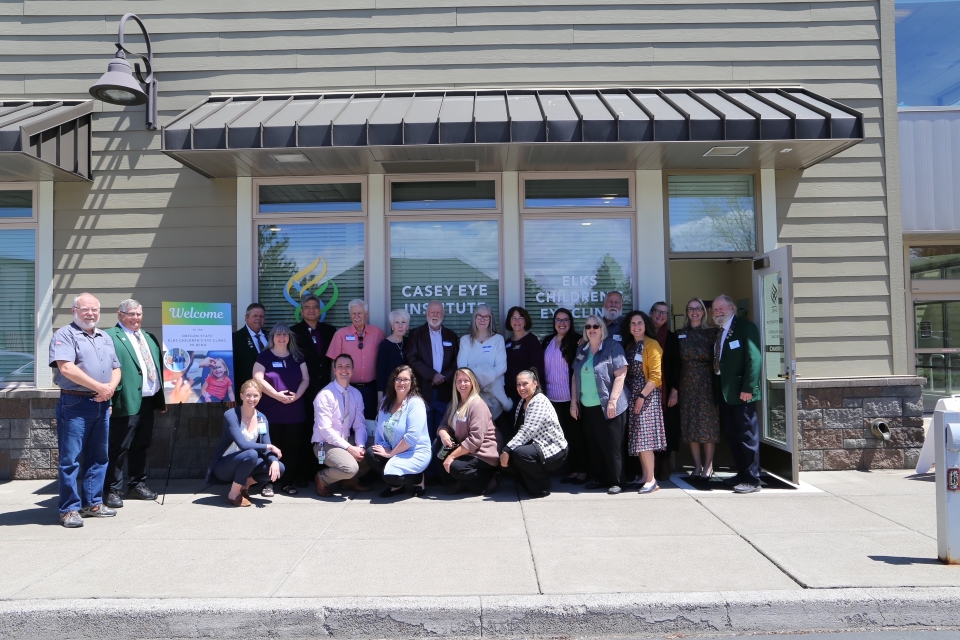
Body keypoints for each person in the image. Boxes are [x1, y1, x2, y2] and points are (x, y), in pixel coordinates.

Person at [50, 293, 122, 528]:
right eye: (85, 309)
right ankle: (68, 509)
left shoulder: (104, 337)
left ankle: (92, 503)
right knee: (70, 459)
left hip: (101, 403)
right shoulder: (64, 335)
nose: (90, 313)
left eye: (95, 310)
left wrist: (109, 390)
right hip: (75, 403)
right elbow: (67, 368)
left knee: (99, 456)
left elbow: (116, 367)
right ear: (74, 311)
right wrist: (99, 387)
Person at [103, 299, 166, 509]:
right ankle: (111, 489)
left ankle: (137, 484)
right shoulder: (110, 337)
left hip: (147, 401)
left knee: (141, 445)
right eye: (131, 314)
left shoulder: (148, 337)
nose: (136, 318)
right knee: (119, 447)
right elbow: (104, 370)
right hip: (125, 400)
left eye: (139, 314)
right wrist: (109, 399)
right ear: (120, 315)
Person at [570, 314, 629, 495]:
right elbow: (574, 377)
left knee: (612, 446)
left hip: (609, 406)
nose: (592, 329)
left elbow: (621, 374)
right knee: (594, 445)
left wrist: (612, 401)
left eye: (596, 326)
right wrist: (574, 402)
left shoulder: (613, 347)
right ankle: (600, 478)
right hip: (587, 407)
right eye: (588, 327)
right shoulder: (582, 350)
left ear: (602, 329)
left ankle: (617, 481)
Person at [712, 295, 763, 494]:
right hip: (726, 395)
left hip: (742, 394)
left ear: (732, 308)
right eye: (715, 309)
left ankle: (752, 480)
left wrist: (748, 388)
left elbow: (754, 358)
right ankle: (742, 473)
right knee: (733, 437)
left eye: (721, 308)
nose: (718, 312)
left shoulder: (745, 327)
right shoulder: (720, 331)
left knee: (748, 436)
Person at [206, 380, 284, 507]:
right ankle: (233, 494)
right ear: (241, 396)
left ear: (260, 397)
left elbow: (266, 445)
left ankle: (245, 484)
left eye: (255, 395)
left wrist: (274, 460)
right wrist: (268, 447)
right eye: (248, 395)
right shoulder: (230, 415)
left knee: (280, 467)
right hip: (225, 467)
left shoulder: (262, 418)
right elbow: (243, 444)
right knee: (251, 454)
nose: (251, 399)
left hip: (247, 462)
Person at [252, 323, 309, 496]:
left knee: (291, 448)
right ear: (272, 337)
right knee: (270, 447)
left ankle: (287, 482)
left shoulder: (297, 356)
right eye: (278, 334)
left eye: (285, 334)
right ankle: (267, 483)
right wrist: (276, 395)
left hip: (294, 409)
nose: (282, 337)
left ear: (289, 337)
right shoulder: (264, 356)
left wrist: (297, 396)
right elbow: (257, 378)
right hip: (270, 411)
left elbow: (306, 379)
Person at [290, 293, 337, 489]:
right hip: (303, 390)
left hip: (327, 389)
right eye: (307, 307)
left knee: (324, 432)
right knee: (304, 432)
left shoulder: (330, 331)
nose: (311, 310)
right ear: (301, 311)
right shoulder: (293, 332)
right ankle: (302, 473)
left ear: (320, 311)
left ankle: (323, 472)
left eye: (315, 307)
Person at [500, 370, 568, 498]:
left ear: (535, 384)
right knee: (508, 461)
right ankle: (530, 484)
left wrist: (507, 450)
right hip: (535, 446)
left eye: (525, 384)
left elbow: (527, 430)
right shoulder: (522, 402)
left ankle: (542, 486)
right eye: (518, 384)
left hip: (552, 448)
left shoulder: (539, 400)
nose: (521, 388)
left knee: (519, 453)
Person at [366, 365, 430, 498]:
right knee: (371, 454)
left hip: (413, 452)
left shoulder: (416, 403)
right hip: (393, 450)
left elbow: (412, 437)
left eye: (406, 379)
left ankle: (418, 479)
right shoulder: (386, 401)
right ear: (393, 381)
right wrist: (381, 448)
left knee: (391, 476)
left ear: (411, 382)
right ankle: (397, 487)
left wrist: (391, 453)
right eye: (398, 379)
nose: (402, 383)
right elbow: (379, 429)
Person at [312, 354, 371, 496]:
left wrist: (361, 447)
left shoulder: (356, 394)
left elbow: (360, 425)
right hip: (324, 444)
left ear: (352, 369)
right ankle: (322, 478)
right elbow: (325, 430)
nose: (344, 370)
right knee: (349, 468)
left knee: (376, 450)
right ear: (334, 369)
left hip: (345, 440)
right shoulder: (325, 395)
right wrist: (350, 448)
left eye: (347, 366)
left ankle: (348, 480)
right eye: (340, 366)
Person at [437, 368, 501, 495]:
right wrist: (443, 432)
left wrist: (451, 456)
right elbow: (444, 423)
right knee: (438, 451)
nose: (462, 384)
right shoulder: (455, 403)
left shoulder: (477, 404)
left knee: (455, 467)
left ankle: (489, 479)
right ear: (455, 384)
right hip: (466, 448)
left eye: (466, 381)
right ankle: (464, 482)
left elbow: (475, 440)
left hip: (483, 451)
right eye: (459, 381)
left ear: (473, 383)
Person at [622, 311, 667, 494]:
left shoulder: (652, 345)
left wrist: (641, 397)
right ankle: (644, 476)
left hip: (647, 396)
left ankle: (652, 480)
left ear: (645, 325)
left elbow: (656, 376)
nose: (636, 326)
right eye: (633, 323)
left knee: (645, 439)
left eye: (639, 323)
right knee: (638, 438)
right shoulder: (631, 346)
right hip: (634, 395)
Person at [541, 308, 586, 485]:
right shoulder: (547, 341)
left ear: (571, 322)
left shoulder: (577, 341)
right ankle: (570, 470)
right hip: (551, 399)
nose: (562, 323)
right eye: (558, 320)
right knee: (562, 436)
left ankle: (581, 471)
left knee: (577, 437)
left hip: (571, 398)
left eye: (565, 320)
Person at [678, 297, 721, 479]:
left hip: (706, 384)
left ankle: (708, 466)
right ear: (687, 313)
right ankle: (696, 466)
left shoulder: (712, 333)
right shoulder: (679, 333)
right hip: (686, 384)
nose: (694, 312)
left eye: (698, 309)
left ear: (704, 312)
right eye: (690, 309)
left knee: (707, 426)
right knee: (691, 426)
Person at [407, 300, 458, 439]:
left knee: (443, 430)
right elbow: (412, 358)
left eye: (438, 312)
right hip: (424, 390)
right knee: (424, 431)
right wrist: (432, 375)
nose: (435, 315)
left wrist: (444, 377)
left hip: (444, 391)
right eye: (432, 312)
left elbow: (456, 361)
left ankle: (440, 460)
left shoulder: (451, 336)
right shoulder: (416, 334)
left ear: (443, 315)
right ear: (426, 314)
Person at [326, 299, 384, 421]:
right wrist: (335, 390)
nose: (356, 316)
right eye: (353, 313)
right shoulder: (340, 334)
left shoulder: (377, 333)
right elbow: (333, 364)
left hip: (370, 390)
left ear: (366, 314)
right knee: (346, 424)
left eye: (360, 313)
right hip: (347, 389)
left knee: (369, 424)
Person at [457, 304, 511, 420]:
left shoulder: (498, 339)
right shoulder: (465, 340)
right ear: (474, 318)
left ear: (491, 319)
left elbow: (501, 367)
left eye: (486, 317)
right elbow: (462, 367)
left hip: (495, 395)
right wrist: (475, 383)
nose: (482, 319)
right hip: (472, 392)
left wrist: (483, 380)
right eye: (479, 316)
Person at [503, 306, 545, 440]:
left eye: (520, 318)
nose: (517, 321)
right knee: (511, 431)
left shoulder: (531, 341)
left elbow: (537, 370)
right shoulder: (507, 343)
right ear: (509, 321)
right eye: (513, 318)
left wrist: (534, 395)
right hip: (509, 397)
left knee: (525, 432)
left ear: (525, 321)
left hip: (526, 396)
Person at [650, 301, 681, 481]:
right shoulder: (642, 334)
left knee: (667, 429)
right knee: (649, 431)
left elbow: (677, 366)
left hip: (666, 392)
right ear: (651, 313)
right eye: (658, 312)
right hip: (646, 391)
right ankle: (649, 469)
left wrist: (674, 391)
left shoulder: (671, 338)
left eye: (665, 313)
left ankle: (664, 466)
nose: (661, 315)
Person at [377, 309, 410, 405]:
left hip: (406, 390)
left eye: (403, 322)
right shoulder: (385, 345)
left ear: (407, 326)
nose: (400, 326)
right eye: (397, 322)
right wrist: (380, 397)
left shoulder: (409, 342)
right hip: (390, 391)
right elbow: (380, 372)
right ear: (392, 326)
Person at [232, 302, 268, 387]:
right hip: (247, 390)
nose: (258, 318)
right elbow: (232, 367)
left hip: (271, 389)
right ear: (246, 317)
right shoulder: (235, 338)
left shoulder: (271, 336)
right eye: (255, 316)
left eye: (261, 316)